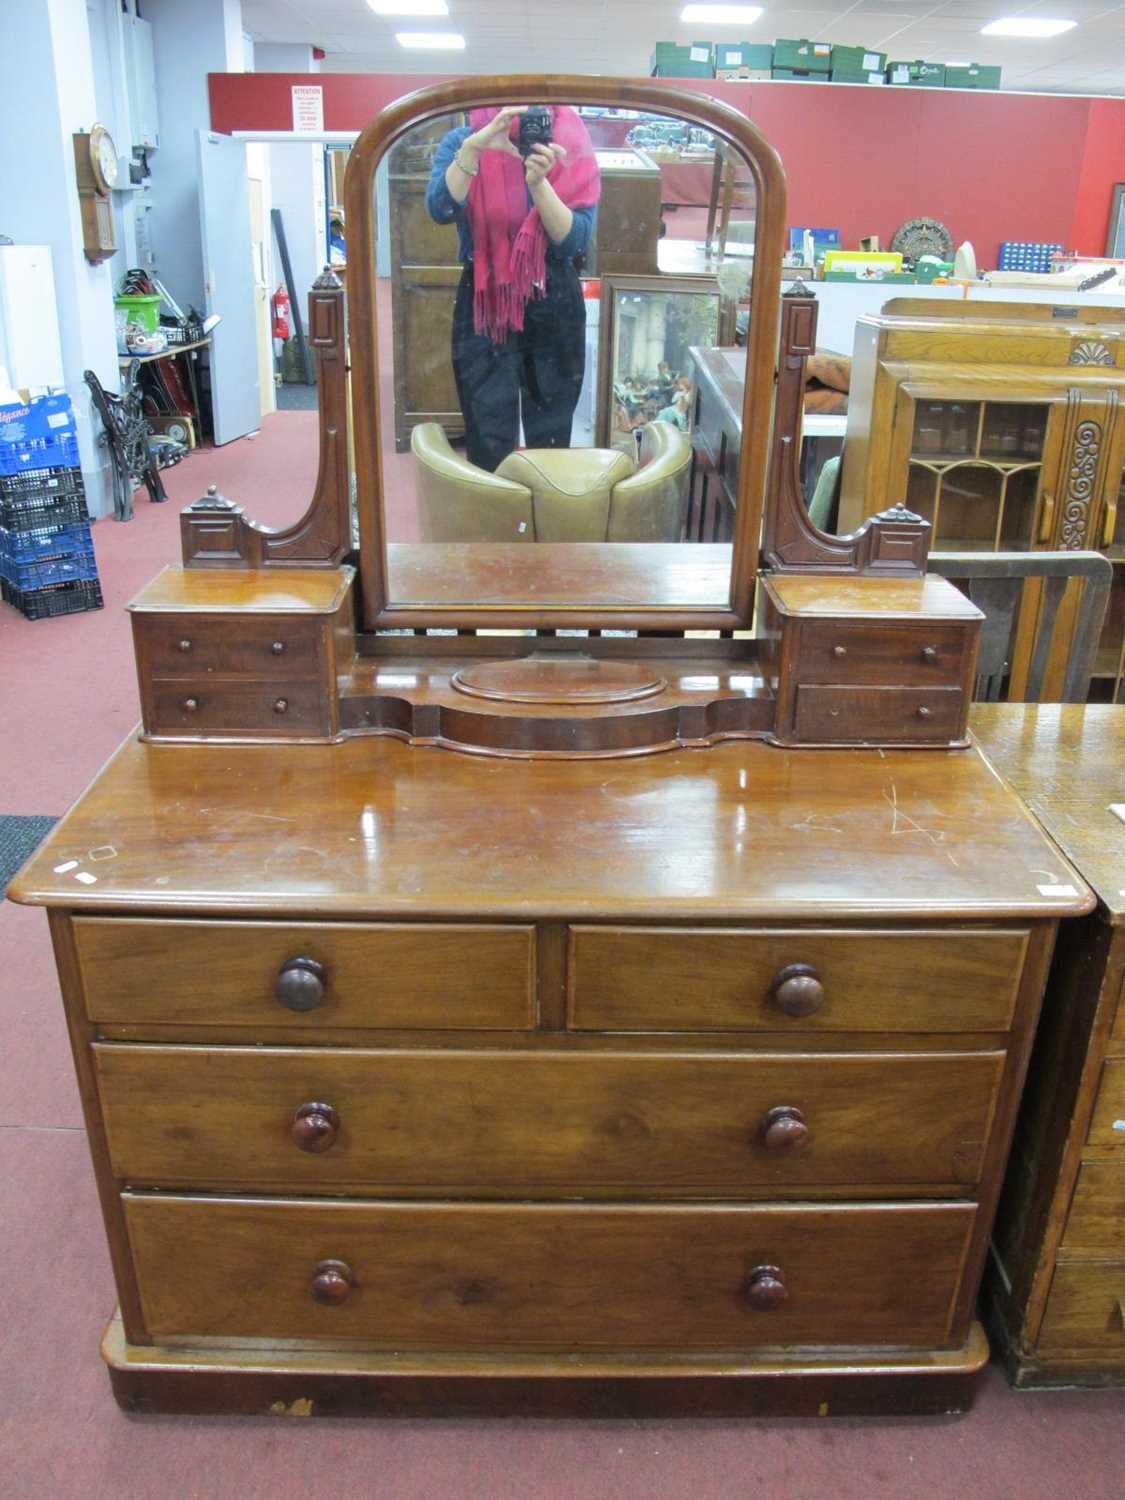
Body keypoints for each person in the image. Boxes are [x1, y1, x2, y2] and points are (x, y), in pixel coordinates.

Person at [426, 105, 600, 472]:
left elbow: (575, 241)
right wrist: (474, 149)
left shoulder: (568, 143)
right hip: (486, 295)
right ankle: (495, 523)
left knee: (551, 435)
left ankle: (545, 523)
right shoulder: (463, 140)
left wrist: (539, 184)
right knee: (486, 429)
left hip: (553, 295)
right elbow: (440, 208)